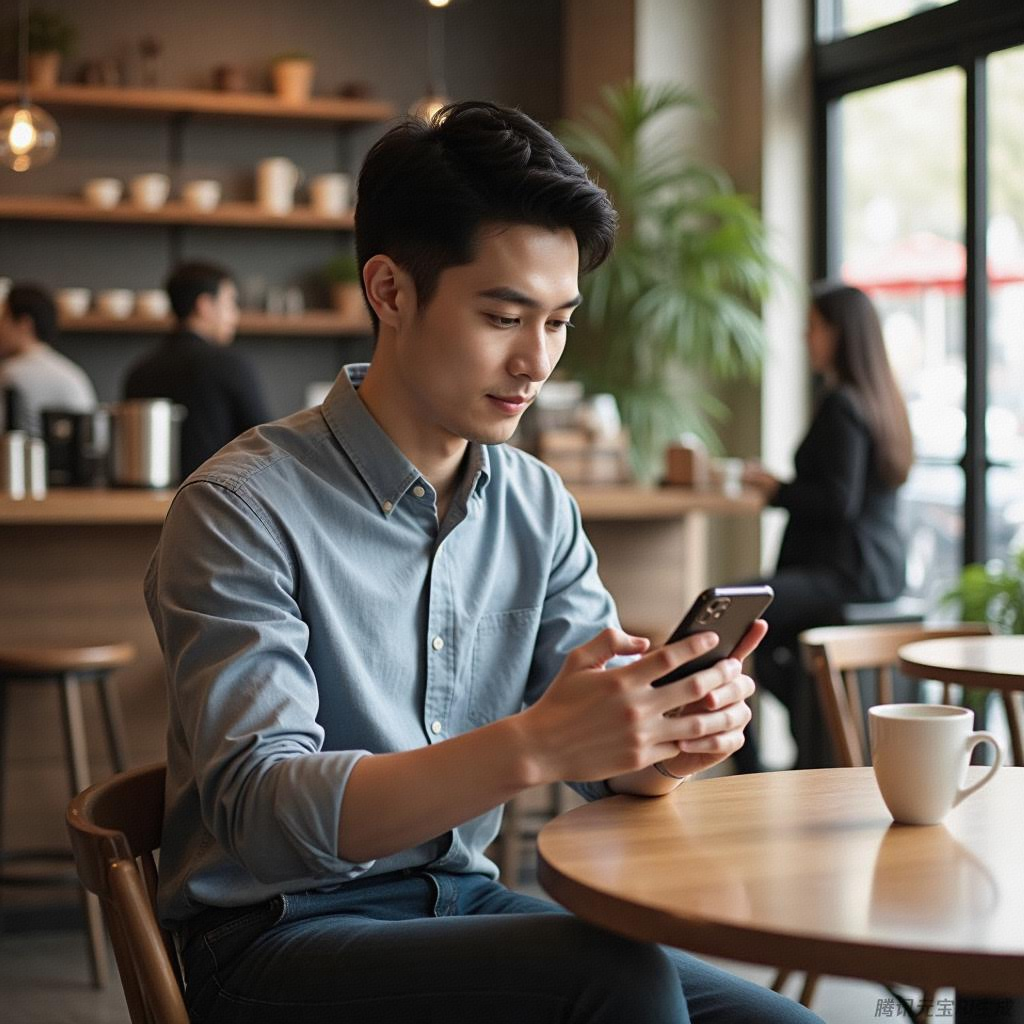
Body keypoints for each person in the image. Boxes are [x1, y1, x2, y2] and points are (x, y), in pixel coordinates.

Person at [146, 101, 822, 1024]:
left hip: (461, 904)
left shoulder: (533, 503)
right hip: (276, 940)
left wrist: (666, 736)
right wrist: (539, 739)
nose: (535, 360)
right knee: (613, 981)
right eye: (505, 316)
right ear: (389, 291)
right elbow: (264, 815)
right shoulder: (239, 507)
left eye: (559, 321)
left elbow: (606, 769)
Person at [735, 281, 913, 772]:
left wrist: (776, 490)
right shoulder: (880, 400)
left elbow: (836, 501)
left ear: (839, 334)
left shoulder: (843, 404)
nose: (804, 338)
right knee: (770, 646)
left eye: (812, 327)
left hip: (846, 573)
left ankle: (750, 766)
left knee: (728, 610)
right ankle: (825, 743)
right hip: (876, 570)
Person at [123, 261, 270, 476]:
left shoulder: (138, 370)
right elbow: (265, 441)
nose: (235, 315)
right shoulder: (229, 364)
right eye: (230, 303)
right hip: (215, 499)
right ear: (204, 305)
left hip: (147, 502)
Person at [0, 284, 96, 435]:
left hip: (25, 457)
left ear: (24, 324)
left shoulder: (10, 373)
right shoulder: (72, 373)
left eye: (4, 318)